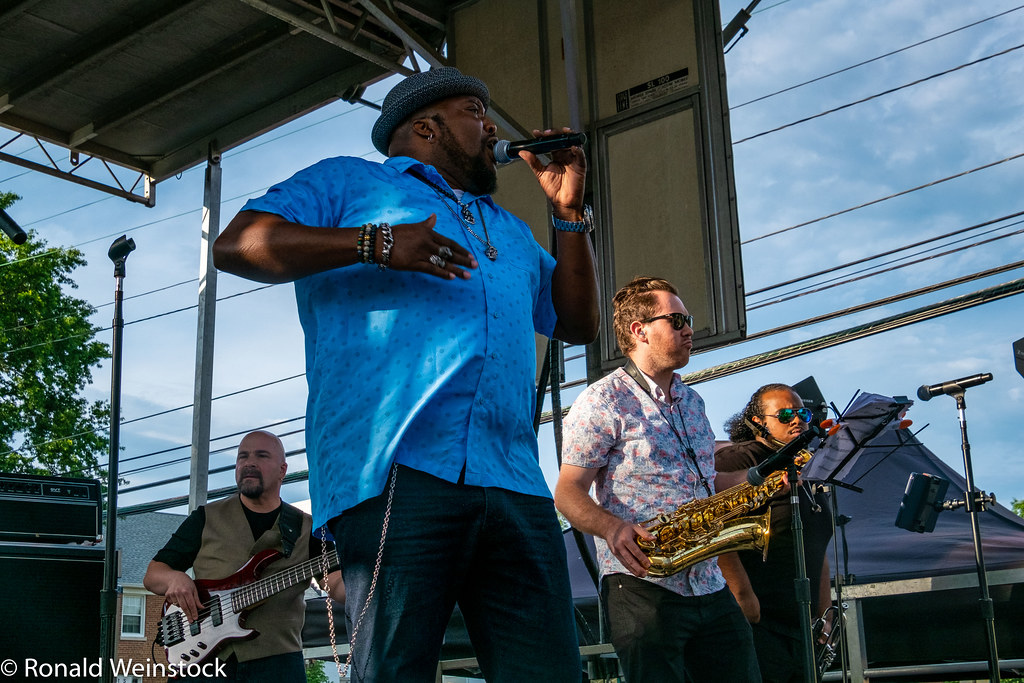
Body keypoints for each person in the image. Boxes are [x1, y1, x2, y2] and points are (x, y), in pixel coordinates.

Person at [212, 66, 599, 682]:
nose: (491, 125)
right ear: (426, 125)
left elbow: (577, 322)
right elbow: (237, 244)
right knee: (397, 672)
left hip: (516, 480)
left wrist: (569, 213)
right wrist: (376, 243)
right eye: (475, 110)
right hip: (399, 471)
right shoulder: (347, 181)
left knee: (548, 671)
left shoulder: (509, 229)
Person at [555, 275, 760, 683]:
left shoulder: (693, 400)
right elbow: (567, 491)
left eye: (688, 320)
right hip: (643, 585)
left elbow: (704, 482)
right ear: (639, 330)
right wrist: (612, 527)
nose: (689, 330)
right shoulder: (602, 399)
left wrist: (762, 479)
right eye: (678, 320)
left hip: (708, 581)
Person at [143, 430, 342, 683]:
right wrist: (174, 579)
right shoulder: (205, 517)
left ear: (282, 470)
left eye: (261, 455)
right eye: (242, 457)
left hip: (278, 664)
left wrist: (372, 580)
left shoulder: (308, 528)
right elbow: (153, 575)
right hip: (204, 663)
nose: (249, 462)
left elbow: (334, 582)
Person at [715, 384, 834, 683]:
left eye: (802, 413)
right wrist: (742, 595)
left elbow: (816, 543)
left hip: (801, 625)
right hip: (759, 619)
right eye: (784, 415)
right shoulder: (739, 459)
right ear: (758, 422)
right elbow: (715, 530)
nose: (797, 420)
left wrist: (825, 612)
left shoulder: (807, 465)